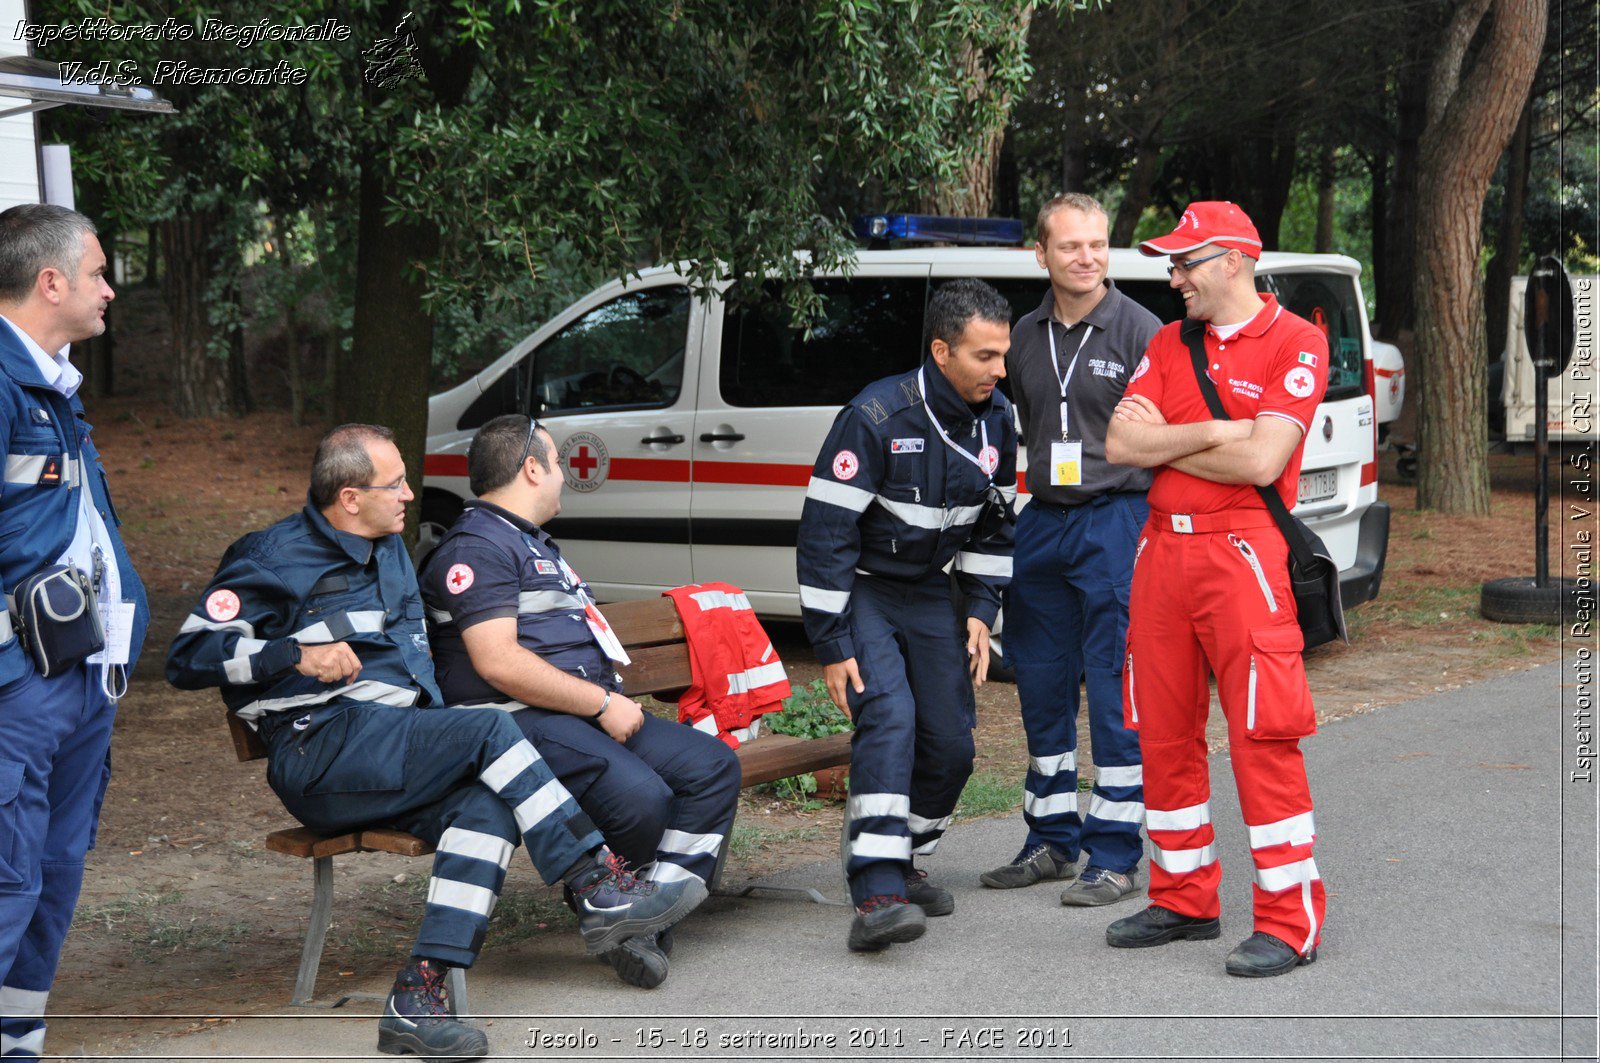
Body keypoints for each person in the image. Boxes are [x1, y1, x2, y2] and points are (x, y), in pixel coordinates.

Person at [167, 424, 701, 1060]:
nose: (407, 496)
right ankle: (594, 885)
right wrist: (294, 653)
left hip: (394, 751)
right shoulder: (272, 556)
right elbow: (188, 656)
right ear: (348, 497)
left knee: (489, 808)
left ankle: (417, 997)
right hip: (323, 751)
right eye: (393, 485)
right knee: (489, 728)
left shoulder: (391, 546)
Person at [420, 413, 734, 989]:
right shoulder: (477, 547)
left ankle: (644, 918)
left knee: (711, 767)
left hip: (579, 710)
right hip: (515, 722)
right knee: (642, 796)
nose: (565, 476)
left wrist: (600, 702)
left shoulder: (529, 542)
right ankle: (617, 914)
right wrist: (598, 704)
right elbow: (497, 662)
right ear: (532, 469)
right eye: (558, 464)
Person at [1103, 201, 1328, 977]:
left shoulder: (1297, 341)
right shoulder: (1169, 342)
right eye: (1171, 264)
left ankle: (1288, 918)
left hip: (1245, 557)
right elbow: (1118, 443)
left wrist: (1171, 446)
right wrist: (1216, 432)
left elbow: (1264, 464)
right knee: (1161, 732)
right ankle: (1184, 896)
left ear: (1233, 259)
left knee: (1262, 736)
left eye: (1184, 263)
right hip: (1161, 555)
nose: (1173, 279)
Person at [797, 278, 1017, 952]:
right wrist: (832, 641)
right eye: (985, 356)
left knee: (952, 743)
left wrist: (980, 608)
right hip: (865, 588)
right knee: (889, 716)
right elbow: (825, 534)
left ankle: (906, 857)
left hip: (928, 592)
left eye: (1003, 354)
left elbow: (996, 525)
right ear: (942, 350)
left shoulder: (999, 418)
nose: (1000, 369)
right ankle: (877, 890)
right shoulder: (876, 415)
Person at [981, 193, 1160, 906]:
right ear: (1042, 255)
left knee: (1114, 688)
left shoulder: (1144, 331)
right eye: (1070, 246)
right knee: (1041, 682)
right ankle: (1051, 837)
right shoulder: (1020, 335)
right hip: (1044, 522)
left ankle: (1114, 853)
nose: (1085, 257)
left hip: (1118, 519)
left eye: (1097, 244)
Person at [0, 204, 147, 1060]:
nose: (109, 288)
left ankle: (19, 1039)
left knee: (52, 875)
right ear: (50, 281)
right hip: (23, 683)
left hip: (83, 676)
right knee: (9, 875)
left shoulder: (52, 381)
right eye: (96, 272)